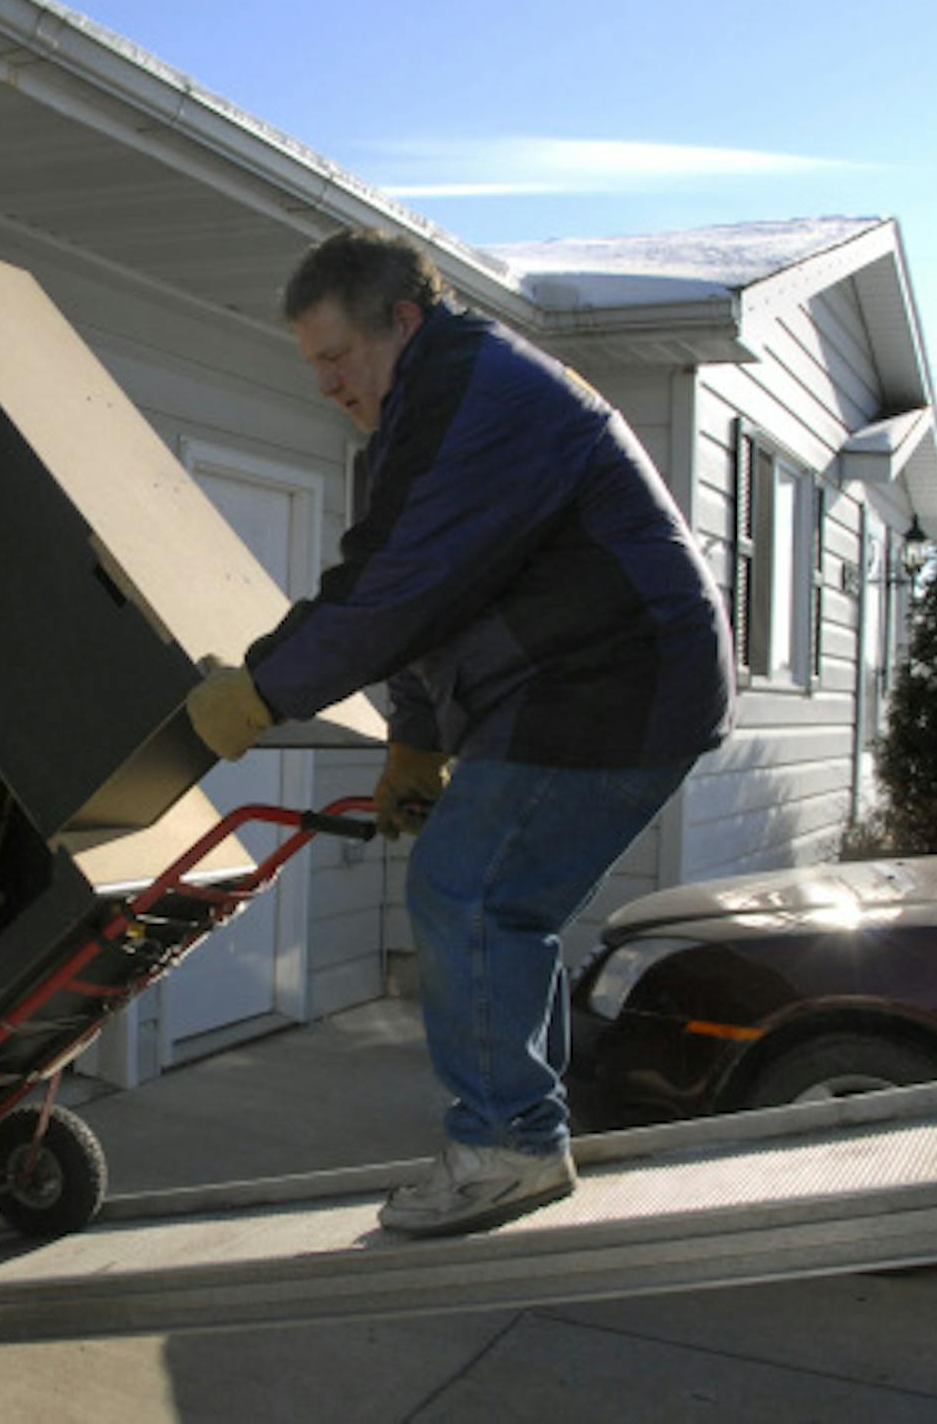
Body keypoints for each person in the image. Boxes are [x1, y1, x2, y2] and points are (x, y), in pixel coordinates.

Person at [187, 229, 736, 1239]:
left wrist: (261, 691)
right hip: (595, 678)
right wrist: (416, 739)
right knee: (498, 902)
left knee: (467, 890)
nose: (323, 384)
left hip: (614, 679)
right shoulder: (425, 411)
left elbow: (399, 589)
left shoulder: (475, 397)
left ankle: (508, 1147)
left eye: (335, 358)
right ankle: (523, 1130)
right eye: (311, 364)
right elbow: (421, 592)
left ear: (402, 320)